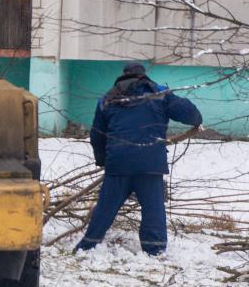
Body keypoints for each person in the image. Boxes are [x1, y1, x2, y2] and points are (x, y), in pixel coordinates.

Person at [75, 62, 202, 255]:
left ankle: (88, 245)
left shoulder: (107, 99)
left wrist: (103, 160)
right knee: (153, 208)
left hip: (118, 162)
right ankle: (155, 249)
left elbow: (97, 135)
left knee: (105, 207)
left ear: (123, 75)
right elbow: (189, 113)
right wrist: (197, 120)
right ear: (144, 75)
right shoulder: (160, 94)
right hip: (150, 162)